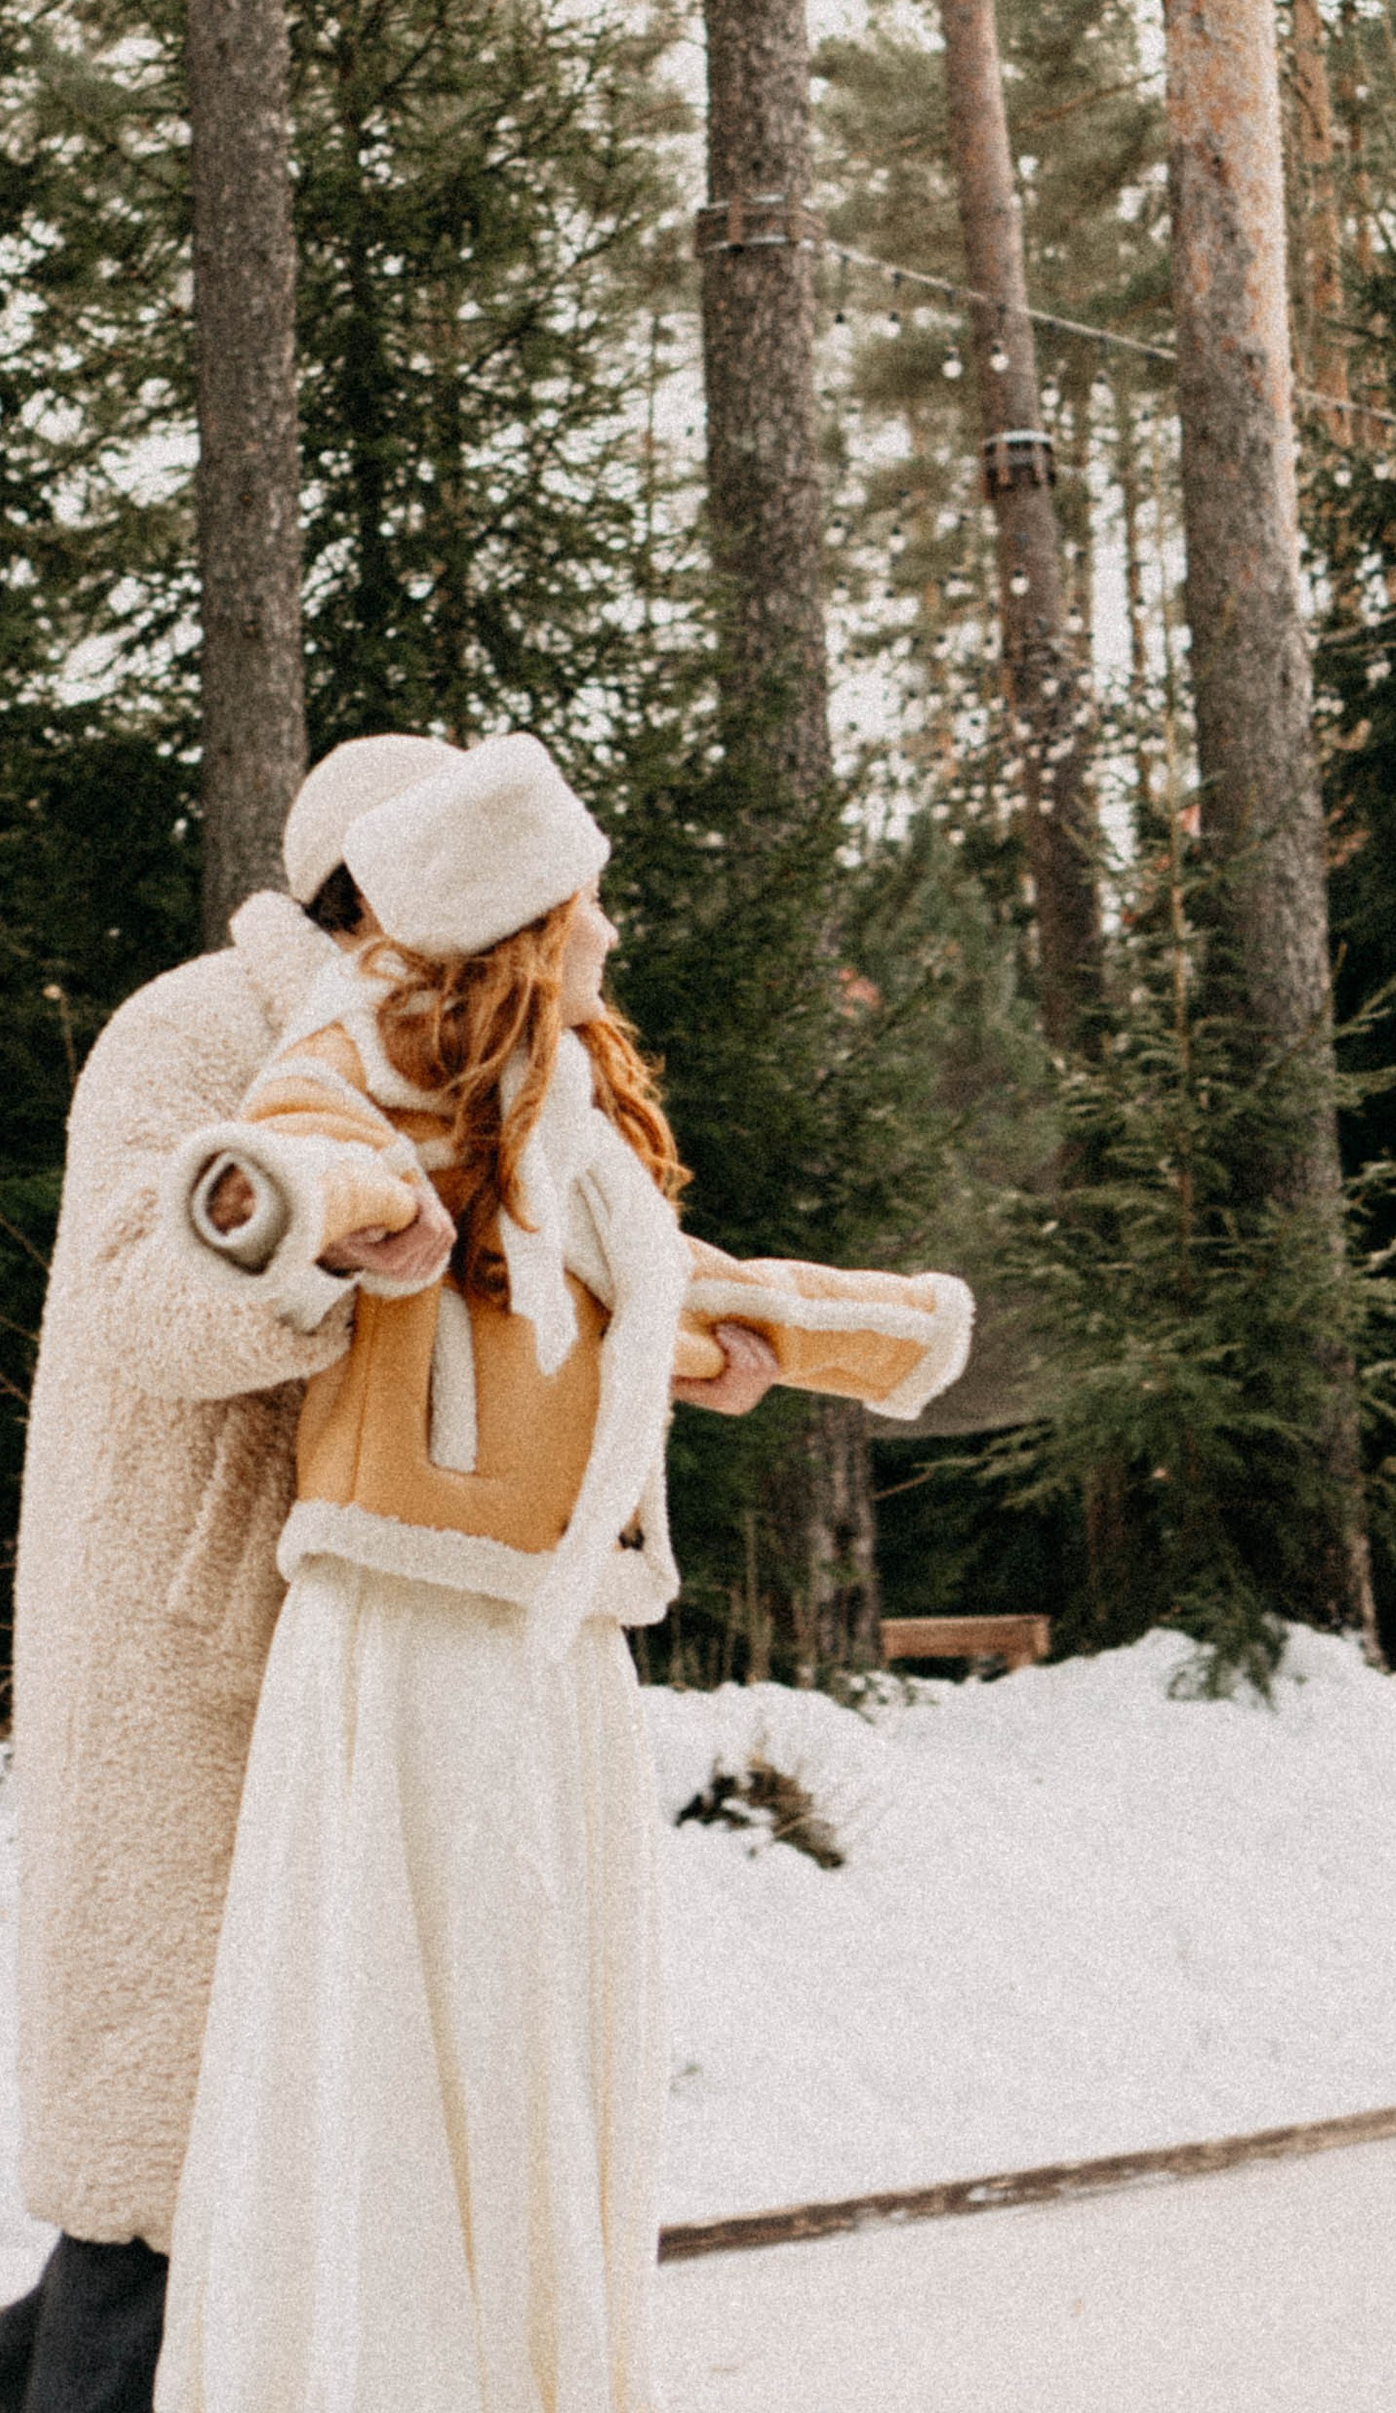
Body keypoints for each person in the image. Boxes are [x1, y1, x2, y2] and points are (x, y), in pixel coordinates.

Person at [151, 732, 971, 2413]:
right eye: (589, 901)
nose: (610, 931)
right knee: (403, 2029)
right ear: (527, 919)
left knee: (540, 2036)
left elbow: (683, 1286)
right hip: (407, 1624)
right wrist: (323, 1207)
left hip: (550, 1640)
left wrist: (870, 1332)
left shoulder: (571, 1123)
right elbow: (301, 1157)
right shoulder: (360, 1051)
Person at [0, 736, 785, 2413]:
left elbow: (516, 1343)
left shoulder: (490, 1067)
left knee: (347, 2165)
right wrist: (315, 1244)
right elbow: (142, 1296)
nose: (593, 935)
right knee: (178, 2162)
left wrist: (674, 1342)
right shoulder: (195, 1031)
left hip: (414, 1674)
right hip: (209, 1666)